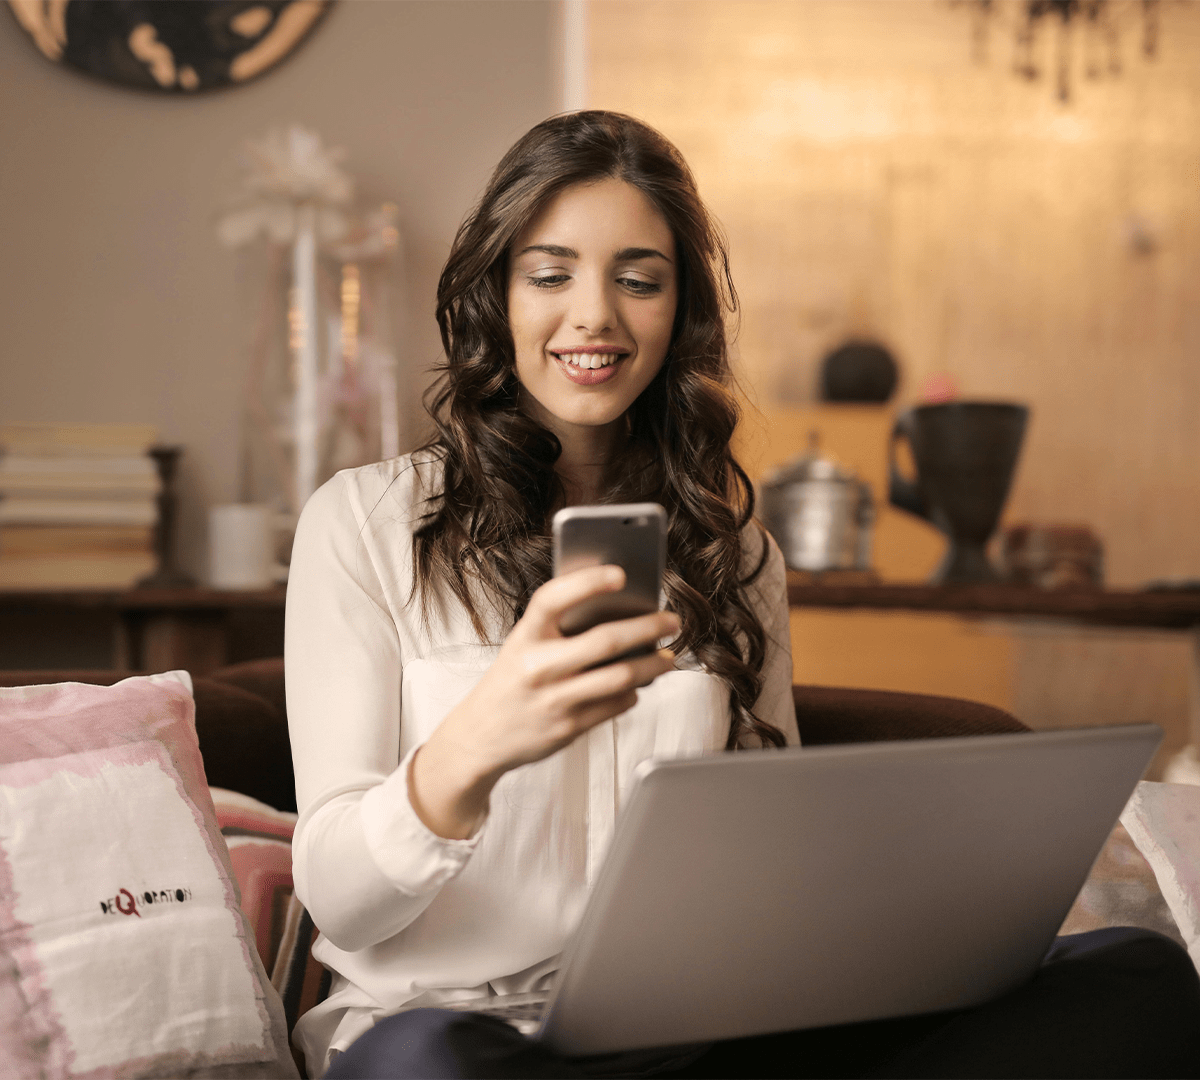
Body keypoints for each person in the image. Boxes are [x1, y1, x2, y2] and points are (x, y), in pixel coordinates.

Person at [285, 111, 1200, 1079]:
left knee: (1141, 976)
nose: (593, 315)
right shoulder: (368, 525)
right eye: (550, 275)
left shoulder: (735, 557)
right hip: (452, 1033)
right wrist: (476, 745)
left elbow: (770, 857)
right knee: (427, 1067)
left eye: (638, 280)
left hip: (687, 1039)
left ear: (679, 312)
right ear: (494, 298)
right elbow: (340, 899)